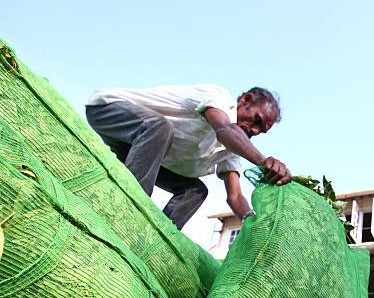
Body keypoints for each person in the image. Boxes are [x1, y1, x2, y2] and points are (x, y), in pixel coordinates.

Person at [85, 84, 291, 229]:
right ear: (245, 100)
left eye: (260, 131)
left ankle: (158, 235)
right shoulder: (219, 99)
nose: (254, 131)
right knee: (160, 127)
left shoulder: (230, 149)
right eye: (256, 120)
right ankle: (126, 210)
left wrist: (249, 221)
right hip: (108, 111)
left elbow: (235, 196)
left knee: (195, 190)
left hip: (136, 151)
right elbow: (224, 129)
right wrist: (263, 162)